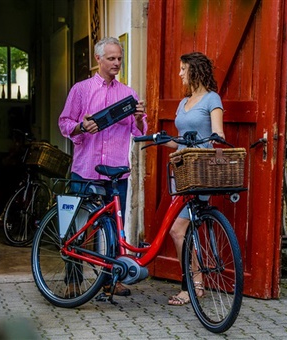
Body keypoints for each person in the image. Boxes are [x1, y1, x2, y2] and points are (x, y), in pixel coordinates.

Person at [58, 36, 147, 298]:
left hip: (117, 170)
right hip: (86, 169)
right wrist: (80, 126)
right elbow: (64, 123)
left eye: (119, 58)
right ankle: (73, 280)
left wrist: (140, 119)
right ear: (98, 59)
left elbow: (139, 131)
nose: (117, 63)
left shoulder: (128, 94)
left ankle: (111, 280)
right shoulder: (81, 90)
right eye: (111, 58)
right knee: (76, 227)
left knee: (114, 229)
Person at [164, 52, 225, 306]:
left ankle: (190, 285)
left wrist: (216, 147)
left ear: (195, 70)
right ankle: (196, 282)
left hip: (200, 171)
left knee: (178, 230)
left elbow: (218, 133)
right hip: (181, 171)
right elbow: (178, 141)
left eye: (182, 69)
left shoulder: (212, 99)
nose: (179, 73)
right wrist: (157, 139)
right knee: (182, 231)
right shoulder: (184, 102)